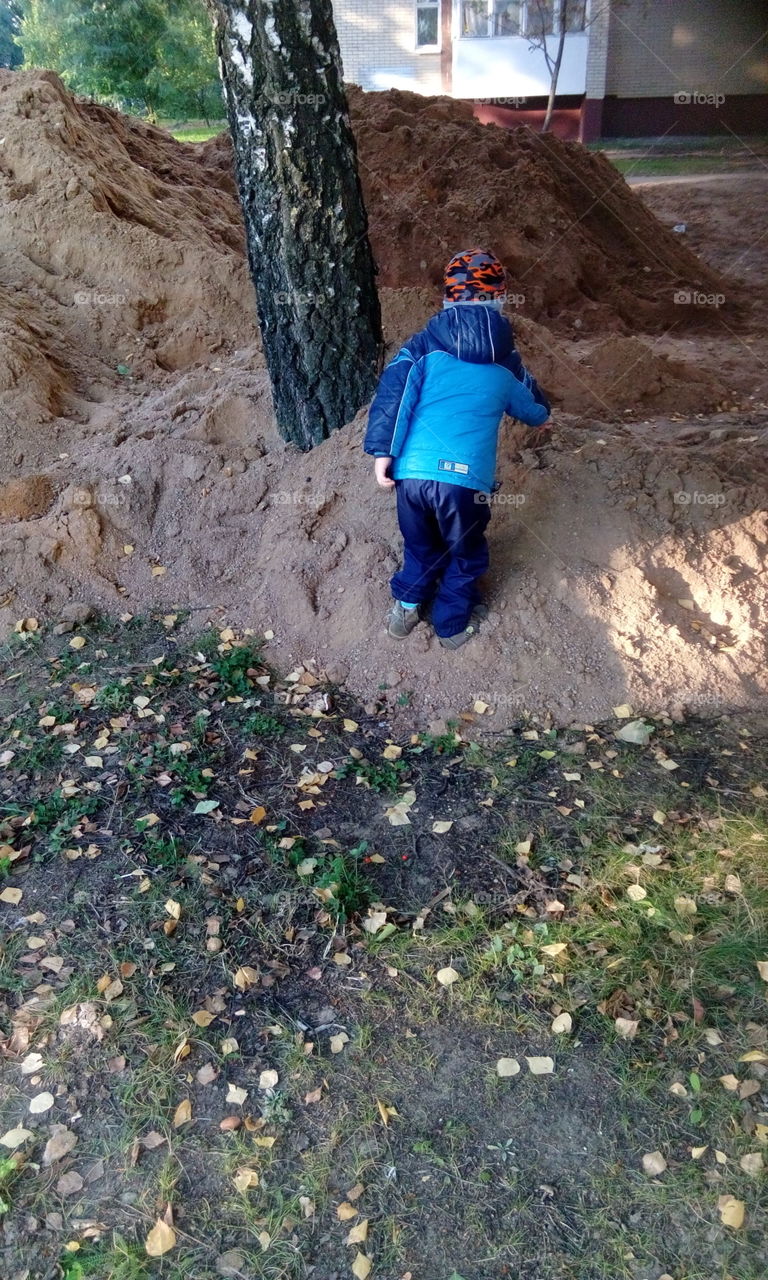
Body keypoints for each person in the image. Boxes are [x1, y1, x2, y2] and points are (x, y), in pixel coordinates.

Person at [363, 248, 551, 650]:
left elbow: (394, 397)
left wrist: (384, 453)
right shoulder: (509, 363)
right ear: (500, 298)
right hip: (467, 484)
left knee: (420, 547)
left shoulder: (422, 347)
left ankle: (405, 611)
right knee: (465, 555)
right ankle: (450, 628)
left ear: (448, 299)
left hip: (412, 477)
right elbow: (536, 411)